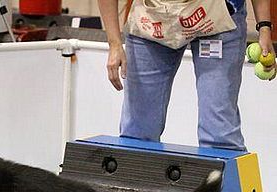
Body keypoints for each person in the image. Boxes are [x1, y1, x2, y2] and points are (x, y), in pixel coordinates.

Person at [98, 0, 276, 151]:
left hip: (216, 15)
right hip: (151, 17)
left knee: (220, 134)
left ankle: (225, 191)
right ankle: (135, 191)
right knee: (136, 134)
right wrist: (114, 43)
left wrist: (265, 28)